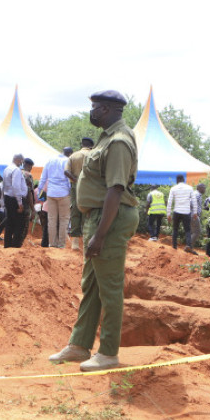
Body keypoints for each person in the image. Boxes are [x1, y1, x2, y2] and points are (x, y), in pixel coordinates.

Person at [49, 90, 138, 372]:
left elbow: (115, 189)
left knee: (109, 288)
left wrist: (100, 234)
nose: (93, 112)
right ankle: (79, 345)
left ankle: (108, 352)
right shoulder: (106, 137)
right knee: (92, 285)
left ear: (110, 109)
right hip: (98, 217)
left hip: (109, 219)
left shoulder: (120, 141)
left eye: (97, 107)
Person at [38, 148, 72, 248]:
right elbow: (69, 179)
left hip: (51, 193)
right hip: (63, 193)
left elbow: (43, 178)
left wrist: (40, 191)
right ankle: (61, 244)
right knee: (64, 219)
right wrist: (70, 192)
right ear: (70, 154)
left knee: (51, 219)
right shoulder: (67, 161)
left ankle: (52, 244)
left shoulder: (50, 160)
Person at [65, 136, 94, 250]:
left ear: (82, 144)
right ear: (91, 146)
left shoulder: (73, 156)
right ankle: (87, 241)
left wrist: (76, 180)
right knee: (89, 211)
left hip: (75, 185)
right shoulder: (94, 155)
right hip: (91, 186)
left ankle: (75, 243)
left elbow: (66, 172)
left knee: (75, 210)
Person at [2, 153, 28, 248]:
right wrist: (20, 203)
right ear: (18, 159)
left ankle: (7, 245)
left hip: (8, 198)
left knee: (9, 223)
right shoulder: (16, 170)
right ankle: (15, 246)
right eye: (21, 161)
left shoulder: (6, 169)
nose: (22, 163)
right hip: (15, 199)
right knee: (19, 224)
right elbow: (16, 186)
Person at [167, 175, 194, 251]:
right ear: (184, 180)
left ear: (177, 180)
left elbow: (170, 202)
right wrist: (195, 212)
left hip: (177, 211)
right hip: (186, 212)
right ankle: (188, 245)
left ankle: (174, 246)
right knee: (188, 230)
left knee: (175, 229)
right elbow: (194, 201)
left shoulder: (173, 188)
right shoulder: (190, 188)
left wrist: (168, 214)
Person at [190, 183, 206, 250]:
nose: (205, 189)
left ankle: (189, 247)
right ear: (199, 188)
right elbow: (191, 203)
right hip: (194, 215)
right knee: (197, 231)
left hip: (191, 214)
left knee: (194, 231)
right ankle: (189, 246)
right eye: (203, 187)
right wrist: (195, 212)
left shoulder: (195, 193)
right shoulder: (197, 194)